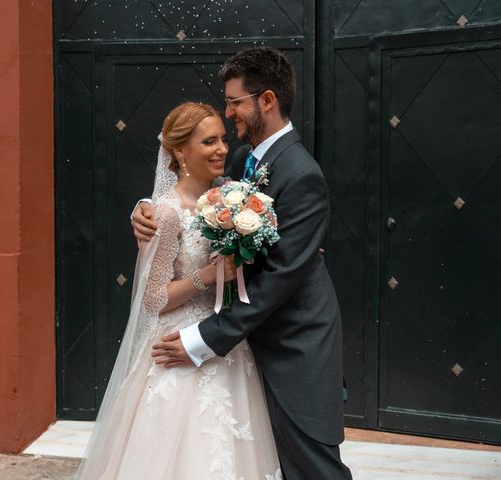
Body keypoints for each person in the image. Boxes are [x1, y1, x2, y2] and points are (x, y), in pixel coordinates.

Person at [135, 48, 353, 479]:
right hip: (249, 347)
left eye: (235, 102)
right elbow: (186, 197)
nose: (228, 112)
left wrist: (203, 339)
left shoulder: (300, 173)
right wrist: (143, 210)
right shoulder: (240, 162)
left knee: (313, 468)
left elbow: (278, 279)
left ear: (266, 100)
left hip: (294, 344)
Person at [75, 102, 282, 479]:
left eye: (222, 138)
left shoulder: (233, 196)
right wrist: (209, 274)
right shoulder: (166, 214)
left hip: (224, 342)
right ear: (180, 151)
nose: (221, 148)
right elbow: (154, 297)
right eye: (208, 142)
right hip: (176, 344)